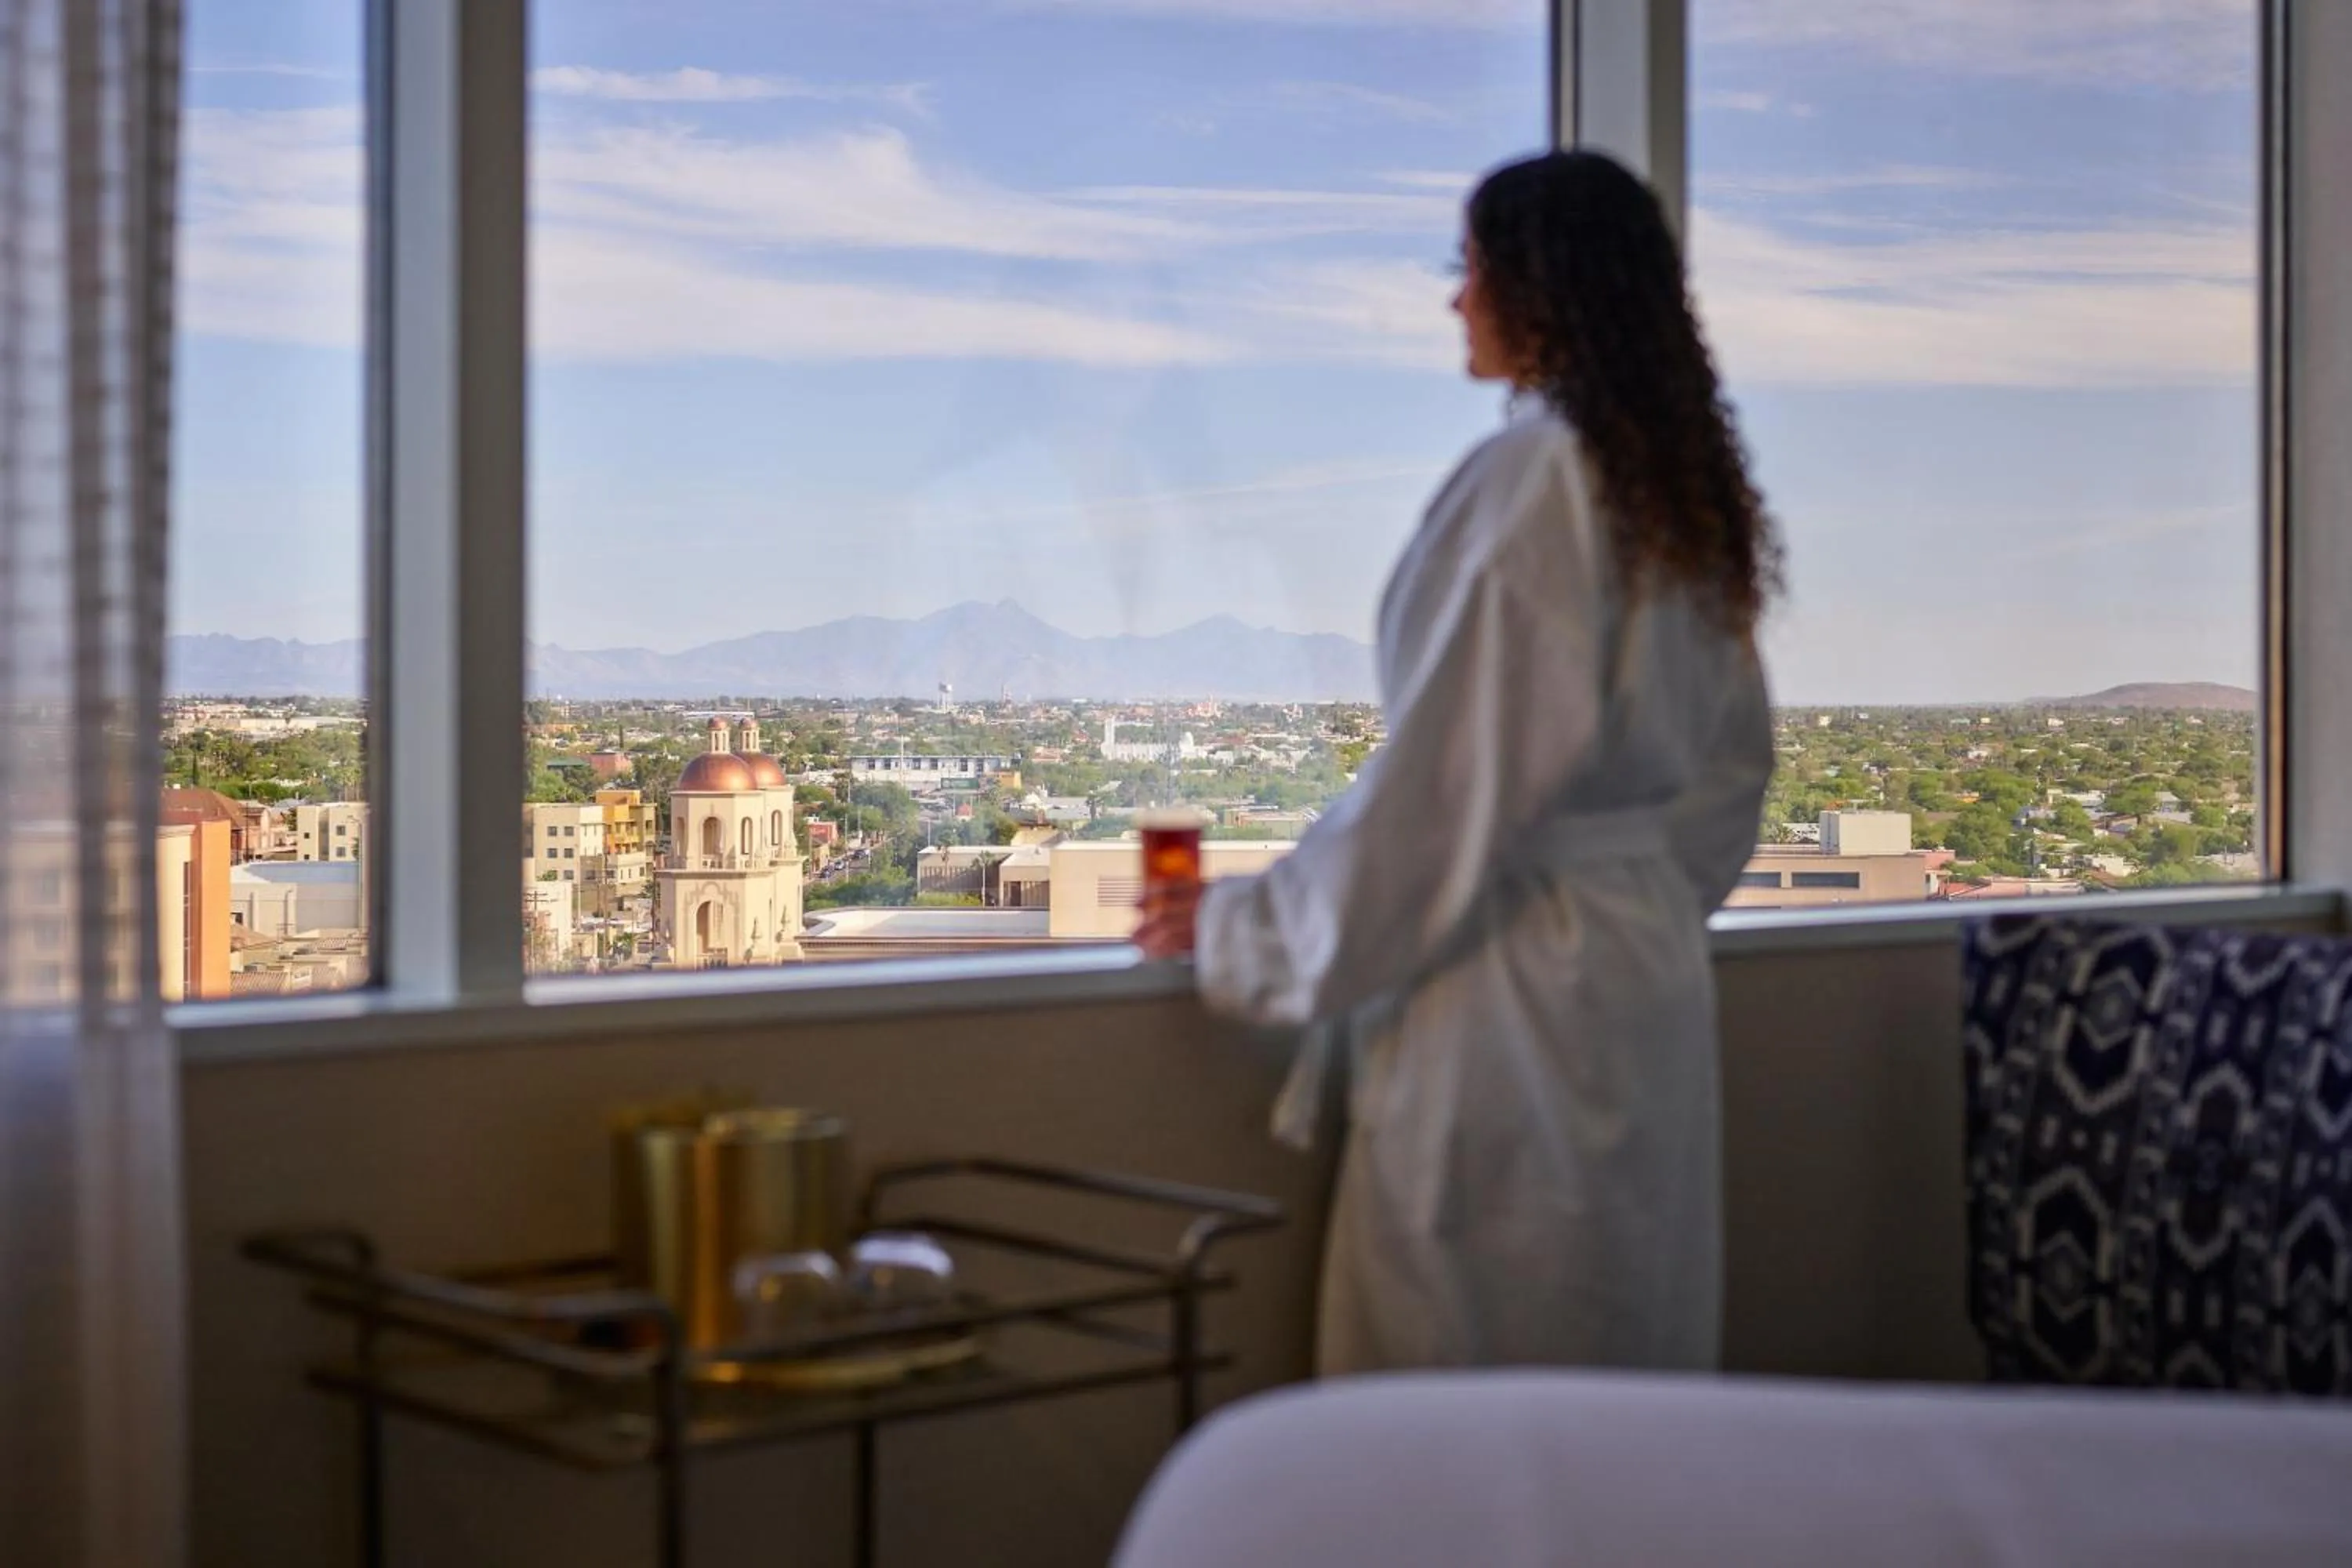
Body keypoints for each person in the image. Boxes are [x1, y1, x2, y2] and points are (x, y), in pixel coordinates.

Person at [1134, 150, 1783, 1376]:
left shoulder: (1540, 479)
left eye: (1469, 271)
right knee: (1622, 1353)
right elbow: (1731, 775)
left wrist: (1237, 932)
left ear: (1538, 290)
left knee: (1481, 1367)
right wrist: (1622, 894)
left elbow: (1444, 796)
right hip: (1639, 989)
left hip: (1516, 1002)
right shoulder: (1672, 484)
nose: (1454, 302)